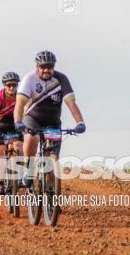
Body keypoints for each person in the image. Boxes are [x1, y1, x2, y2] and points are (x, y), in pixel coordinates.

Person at [13, 51, 86, 187]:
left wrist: (80, 122)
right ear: (37, 66)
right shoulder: (29, 79)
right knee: (31, 137)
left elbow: (71, 103)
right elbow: (19, 104)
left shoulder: (61, 79)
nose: (46, 70)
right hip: (32, 117)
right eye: (43, 67)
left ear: (54, 66)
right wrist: (18, 121)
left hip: (53, 121)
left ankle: (51, 196)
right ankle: (29, 170)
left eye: (50, 67)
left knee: (52, 160)